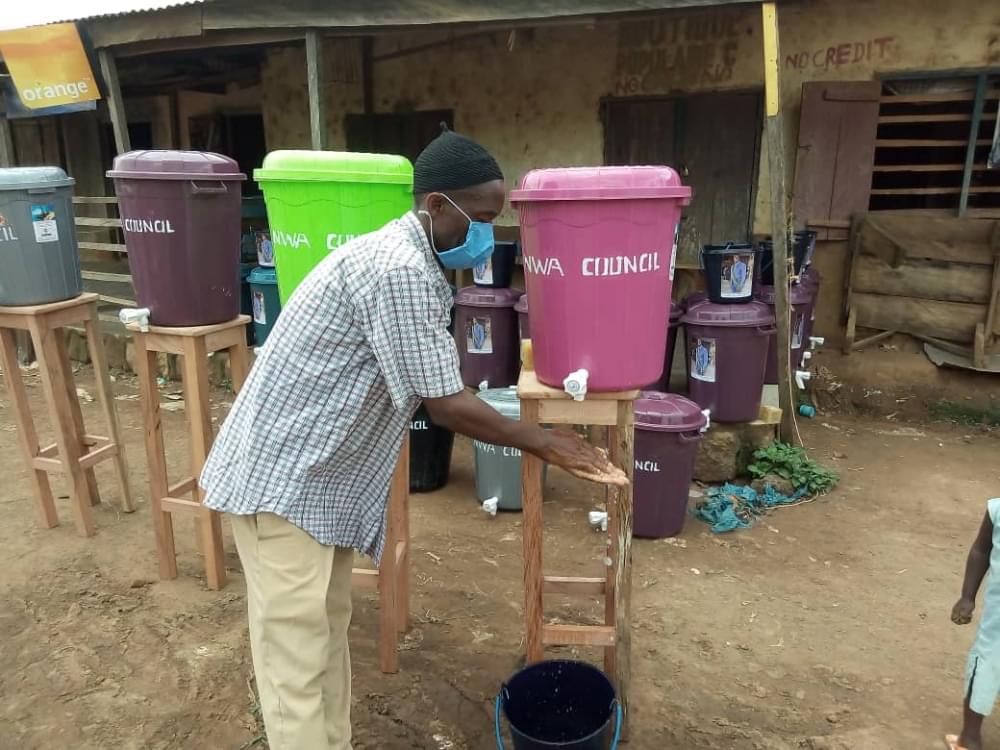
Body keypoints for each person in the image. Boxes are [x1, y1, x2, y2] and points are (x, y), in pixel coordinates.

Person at [199, 128, 626, 750]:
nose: (486, 236)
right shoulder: (397, 268)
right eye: (479, 219)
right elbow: (446, 403)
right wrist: (543, 441)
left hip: (318, 482)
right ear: (435, 206)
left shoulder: (414, 261)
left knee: (324, 634)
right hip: (283, 480)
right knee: (295, 657)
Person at [947, 498, 1000, 750]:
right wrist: (967, 596)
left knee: (985, 664)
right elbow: (981, 550)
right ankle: (969, 739)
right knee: (985, 665)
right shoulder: (997, 510)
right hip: (998, 622)